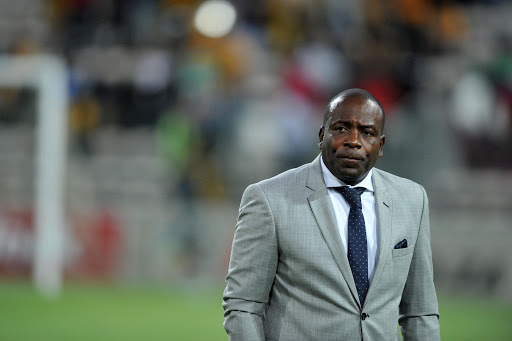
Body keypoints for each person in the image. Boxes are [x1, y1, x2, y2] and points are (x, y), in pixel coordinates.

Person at [223, 88, 440, 340]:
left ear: (380, 146)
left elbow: (420, 312)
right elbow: (243, 305)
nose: (353, 140)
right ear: (321, 135)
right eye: (341, 128)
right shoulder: (269, 199)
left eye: (367, 132)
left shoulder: (412, 199)